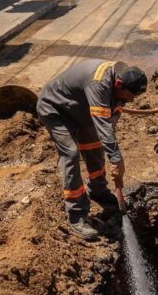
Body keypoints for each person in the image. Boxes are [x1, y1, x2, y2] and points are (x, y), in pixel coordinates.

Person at [37, 60, 147, 240]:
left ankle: (98, 190)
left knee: (94, 147)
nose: (132, 100)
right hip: (56, 110)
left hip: (81, 111)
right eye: (130, 96)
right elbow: (103, 124)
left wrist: (112, 143)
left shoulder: (123, 78)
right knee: (71, 154)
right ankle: (77, 216)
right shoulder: (99, 82)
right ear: (119, 84)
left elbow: (111, 117)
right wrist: (117, 159)